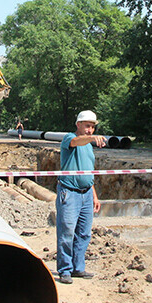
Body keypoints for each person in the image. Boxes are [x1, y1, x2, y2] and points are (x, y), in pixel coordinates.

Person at [56, 110, 106, 284]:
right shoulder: (69, 139)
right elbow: (76, 141)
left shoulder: (88, 148)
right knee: (67, 232)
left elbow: (88, 173)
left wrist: (95, 196)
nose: (90, 130)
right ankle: (65, 270)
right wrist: (91, 139)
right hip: (69, 193)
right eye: (87, 126)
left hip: (86, 194)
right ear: (78, 125)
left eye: (92, 127)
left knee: (84, 233)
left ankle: (78, 267)